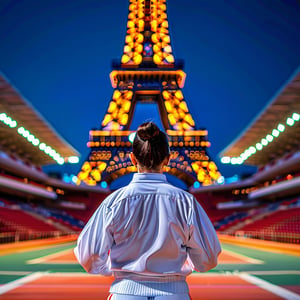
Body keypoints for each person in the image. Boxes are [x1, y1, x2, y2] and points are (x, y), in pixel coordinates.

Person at [74, 121, 221, 300]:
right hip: (174, 294)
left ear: (133, 159)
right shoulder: (186, 202)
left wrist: (112, 270)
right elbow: (208, 258)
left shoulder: (114, 202)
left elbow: (88, 255)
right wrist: (183, 266)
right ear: (167, 159)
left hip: (125, 293)